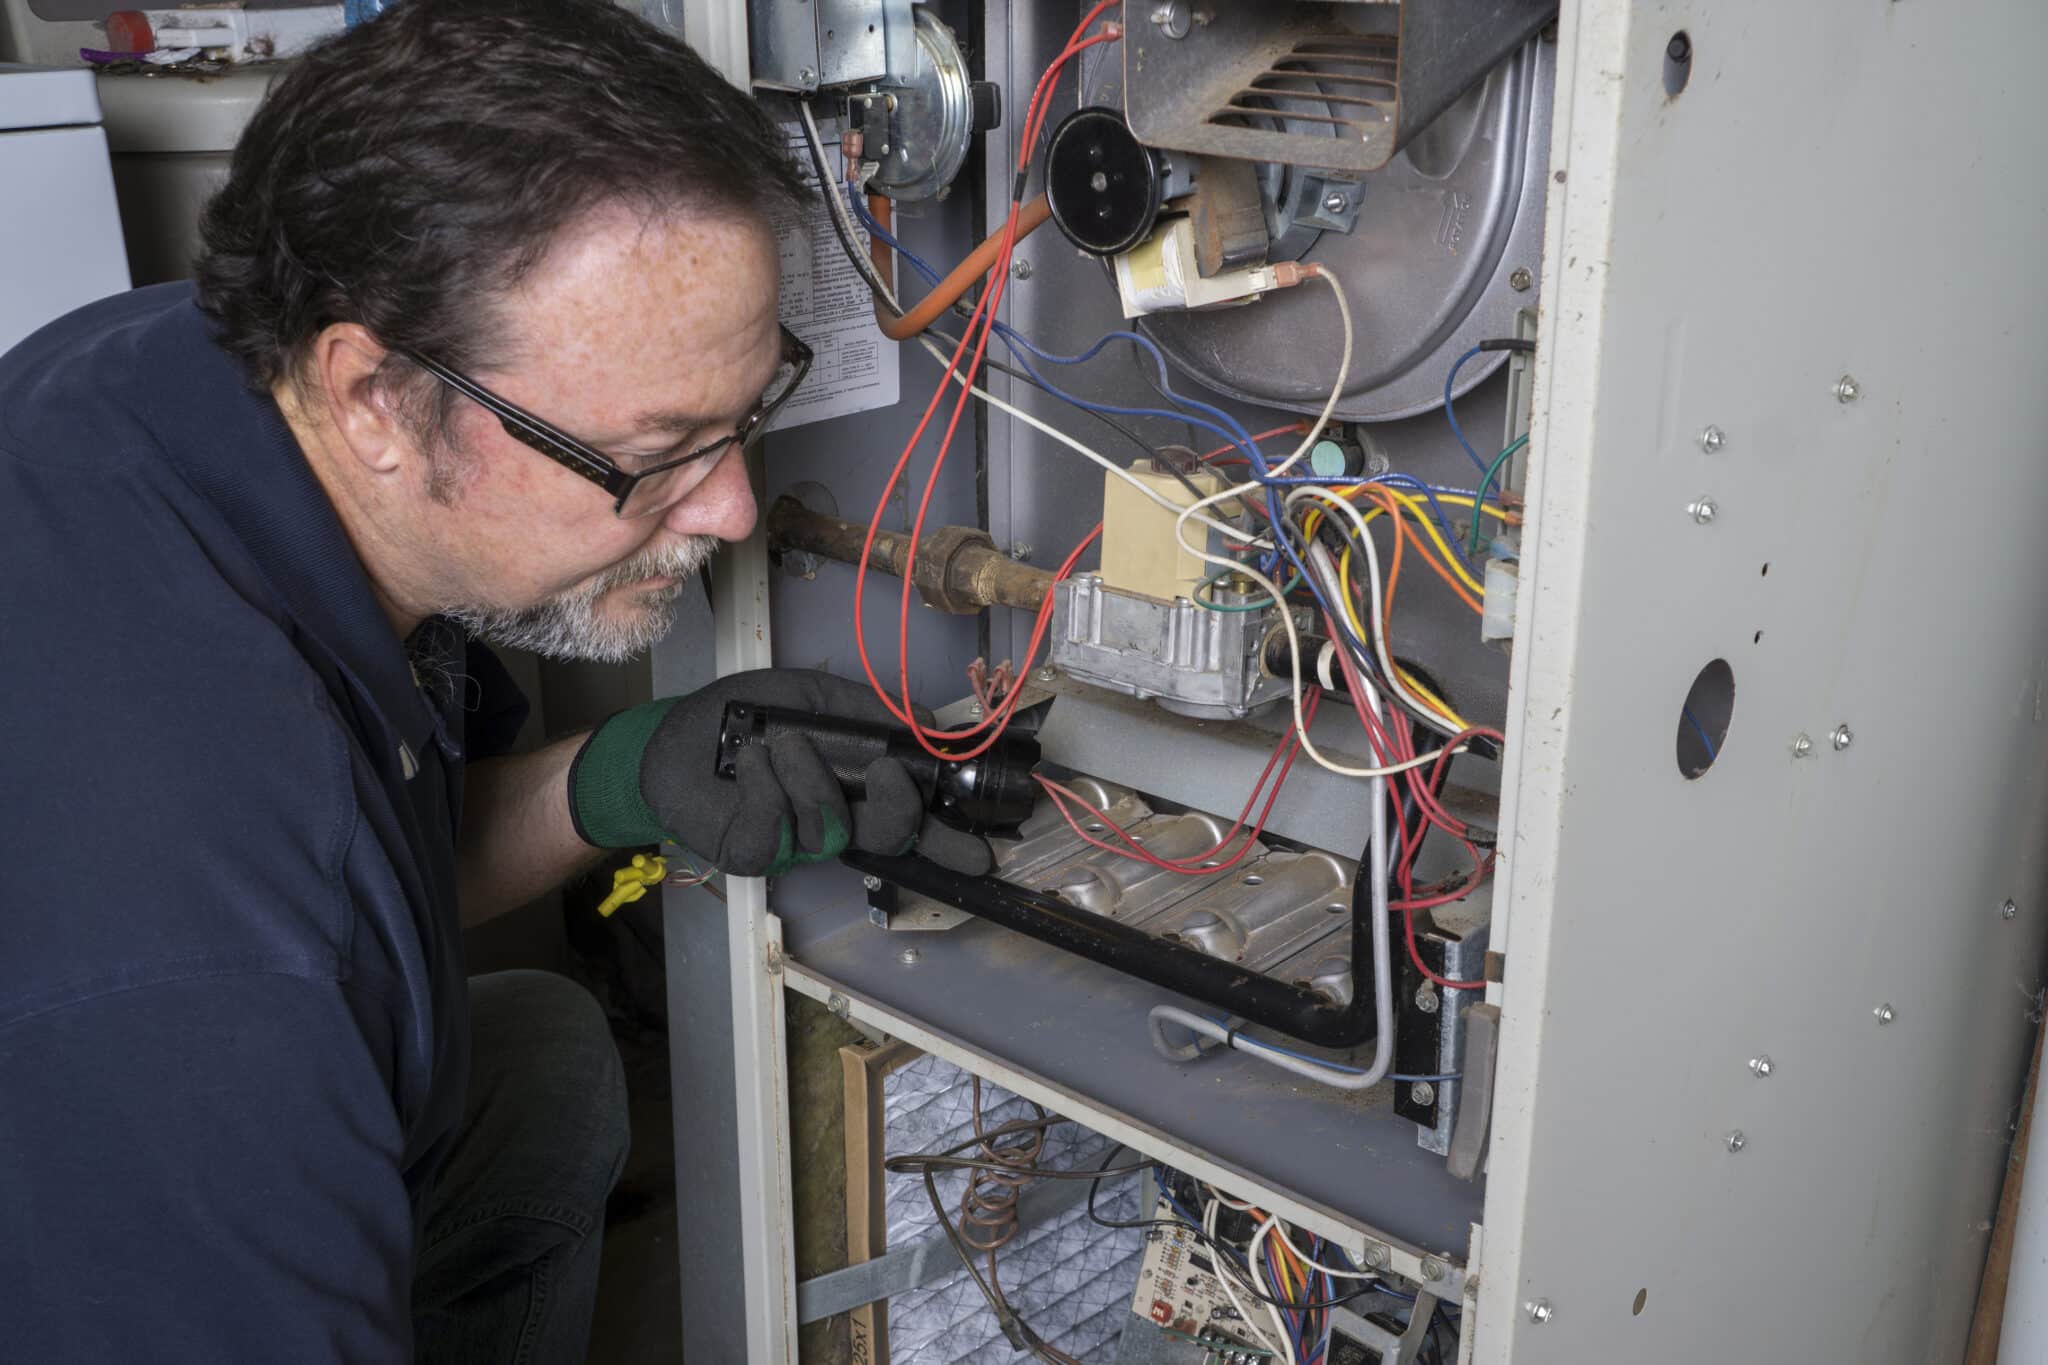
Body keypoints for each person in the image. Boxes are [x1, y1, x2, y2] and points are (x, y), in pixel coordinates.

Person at [0, 0, 984, 1359]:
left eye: (745, 417)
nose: (735, 512)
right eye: (660, 449)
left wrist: (620, 774)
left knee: (544, 1064)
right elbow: (294, 916)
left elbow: (377, 867)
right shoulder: (215, 970)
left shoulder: (182, 369)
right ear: (376, 399)